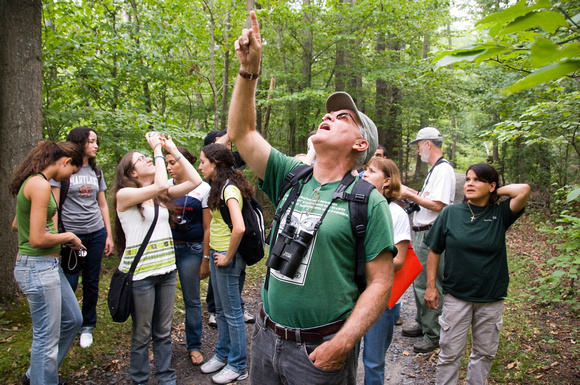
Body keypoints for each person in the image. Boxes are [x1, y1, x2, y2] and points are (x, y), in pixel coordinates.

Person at [227, 11, 396, 384]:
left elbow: (382, 282)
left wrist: (345, 342)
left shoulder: (368, 201)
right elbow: (242, 132)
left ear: (360, 143)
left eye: (342, 117)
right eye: (328, 112)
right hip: (266, 338)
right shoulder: (290, 175)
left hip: (319, 353)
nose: (329, 115)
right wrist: (248, 71)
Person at [424, 164, 530, 384]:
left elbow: (523, 189)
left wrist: (493, 192)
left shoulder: (500, 214)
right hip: (456, 296)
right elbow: (434, 249)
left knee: (484, 354)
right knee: (449, 354)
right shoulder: (451, 213)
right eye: (468, 180)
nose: (469, 184)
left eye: (477, 180)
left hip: (490, 298)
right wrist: (431, 286)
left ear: (492, 185)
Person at [113, 132, 202, 385]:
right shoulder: (125, 196)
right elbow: (162, 184)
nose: (149, 159)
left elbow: (195, 179)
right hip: (141, 276)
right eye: (141, 159)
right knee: (142, 333)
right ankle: (140, 380)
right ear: (132, 174)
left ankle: (166, 377)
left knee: (163, 331)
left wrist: (171, 147)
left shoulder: (160, 197)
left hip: (166, 271)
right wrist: (156, 150)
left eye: (147, 156)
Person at [9, 141, 84, 385]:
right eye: (71, 172)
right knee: (46, 338)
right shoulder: (40, 184)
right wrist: (68, 236)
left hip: (49, 267)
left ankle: (37, 375)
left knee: (73, 319)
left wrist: (52, 231)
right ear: (65, 162)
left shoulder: (36, 183)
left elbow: (16, 224)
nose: (68, 178)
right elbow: (37, 238)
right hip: (37, 269)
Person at [49, 126, 113, 349]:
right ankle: (65, 323)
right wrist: (58, 236)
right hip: (71, 238)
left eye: (97, 141)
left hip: (95, 233)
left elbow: (102, 204)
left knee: (91, 280)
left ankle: (87, 325)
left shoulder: (96, 172)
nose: (96, 145)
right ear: (79, 142)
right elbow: (55, 206)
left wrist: (108, 235)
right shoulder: (65, 169)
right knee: (70, 280)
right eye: (92, 141)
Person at [198, 143, 252, 383]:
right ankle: (222, 355)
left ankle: (238, 365)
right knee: (221, 311)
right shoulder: (217, 186)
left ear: (215, 164)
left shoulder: (229, 189)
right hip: (219, 254)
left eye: (202, 161)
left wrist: (228, 256)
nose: (199, 166)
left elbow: (239, 227)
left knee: (232, 314)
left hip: (227, 257)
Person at [400, 126, 456, 353]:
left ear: (428, 144)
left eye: (418, 145)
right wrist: (411, 192)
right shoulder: (435, 170)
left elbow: (438, 205)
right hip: (423, 230)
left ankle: (433, 335)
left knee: (430, 284)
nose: (417, 151)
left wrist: (409, 194)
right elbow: (429, 198)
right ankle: (424, 325)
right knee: (419, 280)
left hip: (432, 232)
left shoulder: (443, 171)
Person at [361, 157, 411, 385]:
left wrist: (362, 263)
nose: (364, 174)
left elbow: (399, 260)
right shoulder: (355, 206)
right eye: (364, 170)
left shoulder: (396, 213)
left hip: (383, 297)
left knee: (373, 361)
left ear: (388, 181)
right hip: (350, 291)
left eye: (371, 171)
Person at [203, 129, 254, 327]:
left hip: (229, 245)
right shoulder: (213, 173)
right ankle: (215, 310)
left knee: (231, 308)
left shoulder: (228, 183)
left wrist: (236, 132)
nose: (226, 146)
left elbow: (249, 150)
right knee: (224, 302)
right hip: (219, 245)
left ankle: (236, 359)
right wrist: (230, 132)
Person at [166, 146, 211, 366]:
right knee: (162, 301)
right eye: (166, 163)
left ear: (184, 162)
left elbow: (207, 227)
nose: (169, 167)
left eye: (172, 162)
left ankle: (194, 346)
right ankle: (161, 346)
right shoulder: (164, 186)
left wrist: (205, 258)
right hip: (166, 249)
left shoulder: (203, 188)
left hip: (191, 250)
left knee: (192, 300)